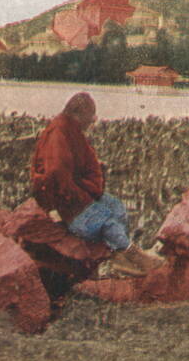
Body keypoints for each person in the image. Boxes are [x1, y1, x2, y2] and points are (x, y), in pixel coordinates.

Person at [31, 92, 159, 278]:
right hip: (67, 203)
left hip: (80, 193)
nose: (92, 121)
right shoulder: (58, 133)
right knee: (106, 221)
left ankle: (118, 256)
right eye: (90, 116)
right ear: (78, 114)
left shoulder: (71, 130)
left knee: (116, 207)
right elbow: (55, 174)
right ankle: (132, 254)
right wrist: (56, 210)